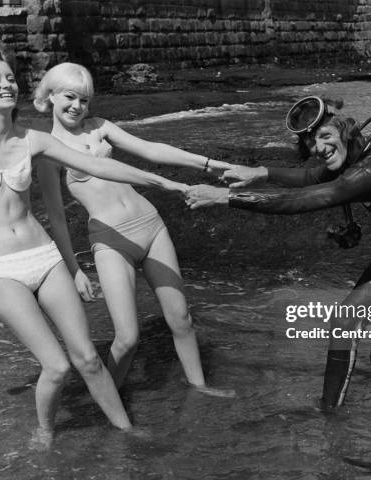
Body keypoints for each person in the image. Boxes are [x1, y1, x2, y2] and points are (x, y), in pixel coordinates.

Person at [0, 44, 191, 448]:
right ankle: (45, 432)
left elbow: (96, 164)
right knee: (55, 366)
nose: (7, 85)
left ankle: (127, 432)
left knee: (87, 358)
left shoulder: (32, 140)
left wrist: (161, 181)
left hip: (45, 257)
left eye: (10, 78)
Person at [185, 96, 371, 441]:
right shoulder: (357, 152)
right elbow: (310, 176)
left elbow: (309, 198)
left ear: (345, 129)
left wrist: (223, 197)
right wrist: (260, 172)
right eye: (310, 141)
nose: (318, 147)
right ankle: (330, 411)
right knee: (345, 319)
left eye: (325, 136)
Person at [32, 62, 235, 398]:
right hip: (110, 241)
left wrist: (208, 164)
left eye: (84, 100)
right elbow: (56, 217)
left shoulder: (99, 127)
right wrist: (74, 270)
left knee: (181, 318)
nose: (77, 107)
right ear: (50, 96)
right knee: (127, 338)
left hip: (151, 225)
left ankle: (199, 388)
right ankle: (107, 402)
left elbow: (150, 150)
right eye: (70, 97)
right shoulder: (47, 151)